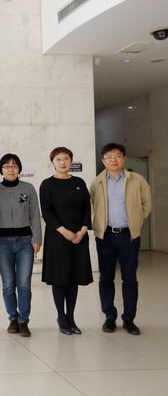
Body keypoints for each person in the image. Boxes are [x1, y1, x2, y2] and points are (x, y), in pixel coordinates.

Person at [90, 143, 151, 335]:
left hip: (129, 235)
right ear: (103, 160)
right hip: (105, 236)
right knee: (106, 278)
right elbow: (93, 204)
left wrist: (135, 221)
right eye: (109, 157)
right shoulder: (97, 182)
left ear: (123, 158)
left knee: (130, 278)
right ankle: (109, 317)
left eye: (117, 156)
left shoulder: (137, 180)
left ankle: (129, 319)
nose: (113, 160)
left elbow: (146, 205)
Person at [40, 147, 93, 335]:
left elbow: (87, 208)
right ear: (52, 162)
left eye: (66, 159)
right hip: (57, 237)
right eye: (58, 159)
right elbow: (46, 212)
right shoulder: (47, 184)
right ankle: (61, 317)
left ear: (71, 161)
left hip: (79, 237)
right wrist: (64, 232)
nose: (62, 162)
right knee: (60, 278)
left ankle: (71, 317)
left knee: (74, 278)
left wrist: (83, 230)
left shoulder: (79, 182)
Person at [0, 154, 42, 337]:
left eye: (14, 166)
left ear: (19, 168)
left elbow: (35, 215)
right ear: (1, 170)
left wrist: (37, 239)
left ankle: (23, 321)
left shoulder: (28, 188)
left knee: (24, 284)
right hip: (2, 244)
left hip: (25, 242)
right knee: (8, 284)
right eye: (6, 166)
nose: (10, 169)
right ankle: (13, 318)